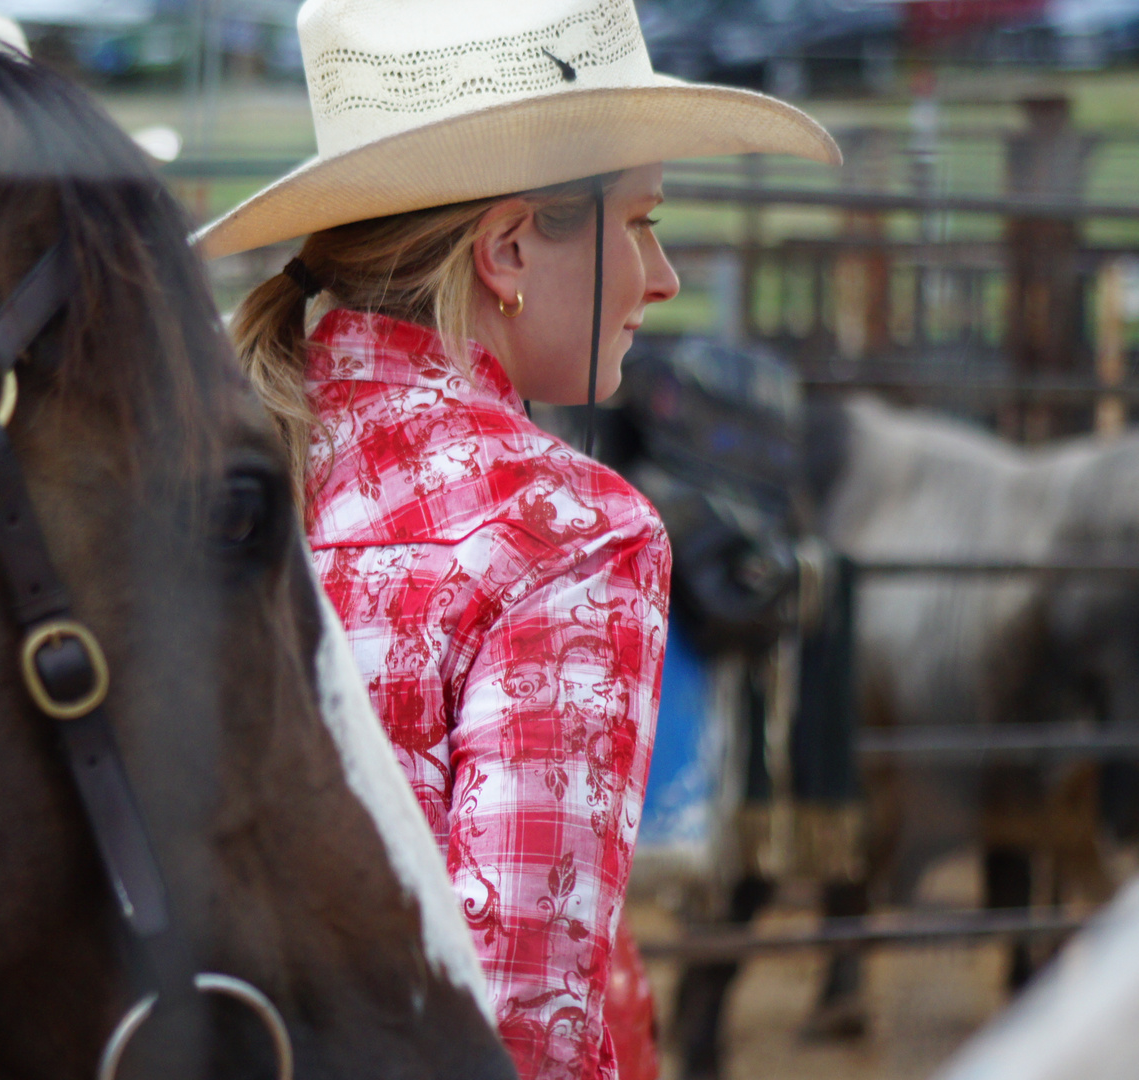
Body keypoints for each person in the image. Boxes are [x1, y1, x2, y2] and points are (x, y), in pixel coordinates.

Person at [195, 0, 840, 1077]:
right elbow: (520, 1026)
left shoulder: (160, 468)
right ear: (507, 249)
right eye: (640, 222)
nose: (664, 278)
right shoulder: (568, 538)